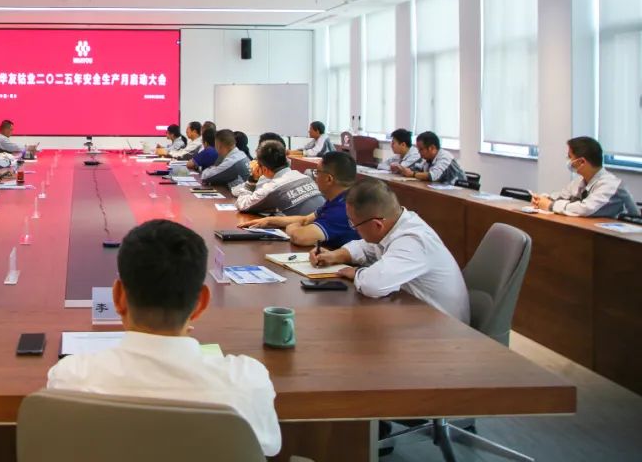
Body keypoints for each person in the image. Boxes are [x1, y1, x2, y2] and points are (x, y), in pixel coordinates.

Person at [46, 219, 281, 457]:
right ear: (201, 303)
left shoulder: (70, 379)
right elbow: (271, 448)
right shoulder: (247, 382)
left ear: (117, 297)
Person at [310, 179, 470, 322]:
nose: (354, 229)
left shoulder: (413, 240)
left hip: (444, 329)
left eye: (354, 224)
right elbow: (365, 247)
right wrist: (334, 255)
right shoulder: (394, 224)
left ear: (377, 225)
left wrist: (357, 272)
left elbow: (373, 285)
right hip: (415, 313)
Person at [531, 136, 639, 217]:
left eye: (570, 157)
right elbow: (561, 196)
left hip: (625, 235)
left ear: (582, 162)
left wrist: (550, 205)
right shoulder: (580, 181)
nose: (568, 160)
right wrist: (542, 199)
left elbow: (585, 209)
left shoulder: (611, 185)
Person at [233, 140, 325, 216]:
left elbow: (242, 204)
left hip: (308, 230)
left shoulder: (272, 188)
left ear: (264, 169)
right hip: (325, 226)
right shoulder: (305, 177)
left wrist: (253, 179)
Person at [396, 131, 465, 185]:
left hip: (458, 191)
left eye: (421, 149)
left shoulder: (445, 157)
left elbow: (433, 176)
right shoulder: (428, 158)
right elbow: (418, 168)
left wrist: (413, 174)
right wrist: (406, 170)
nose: (419, 152)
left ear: (432, 148)